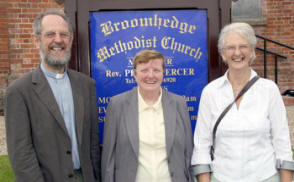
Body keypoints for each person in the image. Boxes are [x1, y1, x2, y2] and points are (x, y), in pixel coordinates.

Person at [4, 9, 100, 182]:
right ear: (36, 41)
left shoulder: (86, 85)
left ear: (70, 40)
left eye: (64, 34)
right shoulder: (19, 91)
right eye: (50, 34)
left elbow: (93, 145)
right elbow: (21, 156)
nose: (58, 40)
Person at [191, 22, 294, 182]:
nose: (237, 52)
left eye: (243, 46)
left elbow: (282, 141)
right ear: (223, 54)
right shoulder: (210, 92)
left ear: (252, 51)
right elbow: (201, 144)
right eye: (231, 47)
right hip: (222, 177)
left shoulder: (269, 90)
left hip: (265, 176)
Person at [101, 49, 194, 182]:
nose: (151, 75)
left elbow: (188, 153)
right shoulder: (117, 105)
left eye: (156, 70)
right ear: (134, 73)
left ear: (163, 73)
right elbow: (108, 158)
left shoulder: (179, 104)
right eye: (144, 70)